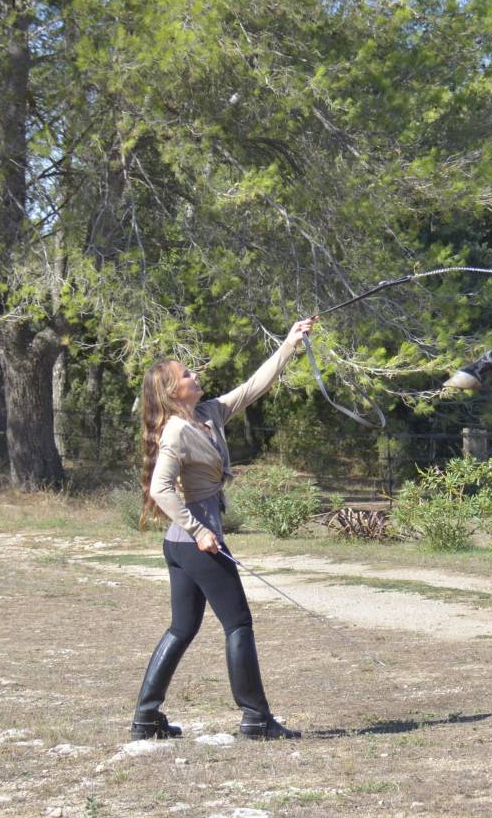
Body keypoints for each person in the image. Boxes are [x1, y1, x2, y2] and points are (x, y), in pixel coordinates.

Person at [131, 317, 315, 741]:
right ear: (172, 391)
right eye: (186, 375)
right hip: (194, 544)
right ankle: (255, 719)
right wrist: (198, 530)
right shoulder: (177, 430)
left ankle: (145, 719)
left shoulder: (208, 414)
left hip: (180, 545)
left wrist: (289, 344)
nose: (195, 376)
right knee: (238, 623)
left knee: (182, 628)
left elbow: (253, 386)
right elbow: (161, 489)